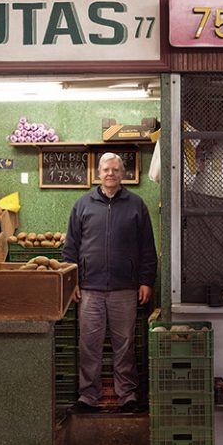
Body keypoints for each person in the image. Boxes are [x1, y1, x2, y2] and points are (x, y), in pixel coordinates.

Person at [63, 152, 157, 414]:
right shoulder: (82, 205)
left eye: (116, 169)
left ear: (122, 173)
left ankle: (126, 395)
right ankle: (88, 396)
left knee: (124, 345)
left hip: (125, 289)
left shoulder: (136, 206)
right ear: (98, 173)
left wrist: (146, 281)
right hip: (89, 289)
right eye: (106, 169)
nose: (111, 174)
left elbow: (147, 249)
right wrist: (73, 283)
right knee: (89, 345)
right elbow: (70, 248)